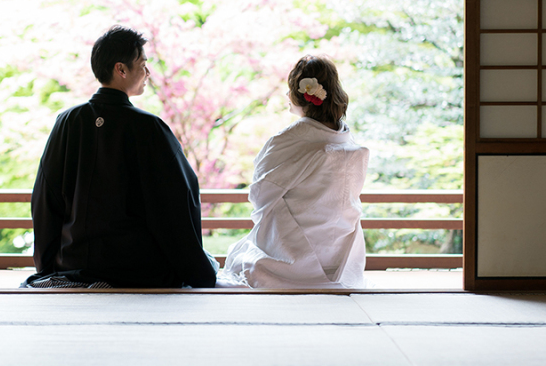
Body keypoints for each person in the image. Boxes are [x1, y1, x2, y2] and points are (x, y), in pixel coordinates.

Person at [23, 26, 218, 289]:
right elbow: (176, 202)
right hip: (136, 269)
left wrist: (46, 266)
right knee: (209, 265)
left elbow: (46, 199)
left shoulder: (68, 121)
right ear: (121, 69)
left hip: (74, 265)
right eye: (143, 64)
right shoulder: (149, 127)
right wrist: (198, 272)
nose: (147, 73)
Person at [219, 55, 369, 288]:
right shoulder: (349, 144)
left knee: (242, 260)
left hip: (290, 254)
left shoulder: (288, 141)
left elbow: (260, 196)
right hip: (341, 258)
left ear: (299, 94)